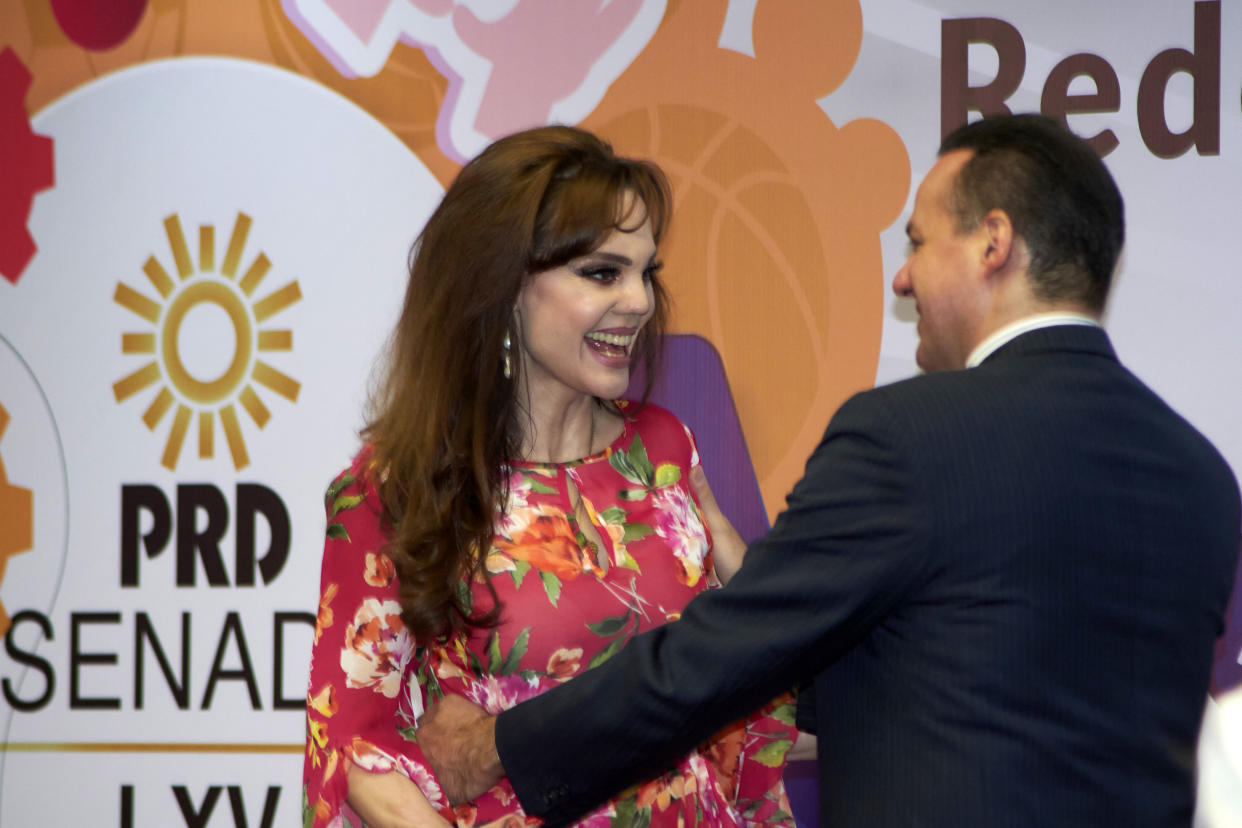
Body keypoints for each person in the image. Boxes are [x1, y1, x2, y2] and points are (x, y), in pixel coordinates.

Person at [414, 114, 1242, 827]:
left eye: (918, 241)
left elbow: (715, 663)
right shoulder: (1202, 480)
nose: (903, 275)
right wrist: (763, 595)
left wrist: (501, 746)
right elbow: (963, 685)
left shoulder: (911, 438)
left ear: (993, 242)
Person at [302, 125, 799, 828]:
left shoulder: (663, 450)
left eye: (645, 272)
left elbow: (747, 669)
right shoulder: (398, 483)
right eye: (603, 273)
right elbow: (355, 746)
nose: (641, 302)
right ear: (503, 284)